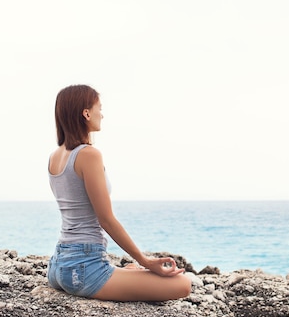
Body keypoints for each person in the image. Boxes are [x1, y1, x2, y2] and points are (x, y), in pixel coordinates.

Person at [47, 84, 191, 302]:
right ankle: (131, 271)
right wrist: (146, 260)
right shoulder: (89, 155)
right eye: (99, 108)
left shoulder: (55, 156)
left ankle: (128, 273)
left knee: (132, 271)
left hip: (58, 266)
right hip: (84, 269)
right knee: (183, 284)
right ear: (86, 113)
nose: (102, 114)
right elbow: (106, 219)